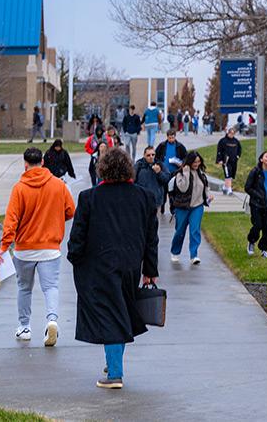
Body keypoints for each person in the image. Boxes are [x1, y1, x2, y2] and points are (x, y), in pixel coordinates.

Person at [67, 148, 159, 389]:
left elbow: (78, 236)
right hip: (131, 265)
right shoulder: (145, 197)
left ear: (103, 169)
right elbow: (151, 238)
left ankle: (115, 373)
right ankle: (113, 360)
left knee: (111, 315)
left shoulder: (89, 198)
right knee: (121, 313)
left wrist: (75, 257)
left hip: (98, 266)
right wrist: (150, 269)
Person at [0, 148, 75, 345]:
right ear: (42, 162)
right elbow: (70, 210)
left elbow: (11, 221)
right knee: (51, 287)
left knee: (24, 288)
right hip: (50, 248)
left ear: (25, 164)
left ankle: (24, 327)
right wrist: (55, 219)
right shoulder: (58, 185)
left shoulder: (19, 189)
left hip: (24, 249)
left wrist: (4, 246)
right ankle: (52, 320)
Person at [170, 151, 213, 265]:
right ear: (189, 162)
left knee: (194, 231)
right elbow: (183, 188)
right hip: (182, 207)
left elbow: (205, 187)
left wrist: (208, 196)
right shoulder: (180, 173)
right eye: (194, 162)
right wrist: (186, 172)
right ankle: (175, 252)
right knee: (180, 231)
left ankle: (194, 255)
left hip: (197, 206)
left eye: (198, 162)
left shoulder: (201, 174)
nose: (197, 164)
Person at [245, 151, 267, 258]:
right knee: (257, 225)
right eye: (266, 156)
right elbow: (247, 188)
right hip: (256, 204)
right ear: (261, 159)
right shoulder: (255, 172)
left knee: (266, 228)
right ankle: (251, 241)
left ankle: (264, 249)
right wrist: (258, 196)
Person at [155, 129, 187, 214]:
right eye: (169, 138)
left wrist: (181, 164)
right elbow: (156, 156)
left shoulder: (180, 146)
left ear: (175, 137)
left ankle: (173, 208)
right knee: (164, 191)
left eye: (172, 138)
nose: (171, 140)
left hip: (175, 172)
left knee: (172, 191)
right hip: (164, 172)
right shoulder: (162, 145)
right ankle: (162, 206)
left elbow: (185, 157)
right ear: (167, 137)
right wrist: (159, 164)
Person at [216, 128, 242, 196]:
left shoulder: (236, 141)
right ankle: (229, 190)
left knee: (232, 175)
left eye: (233, 133)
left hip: (234, 161)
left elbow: (239, 149)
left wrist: (238, 156)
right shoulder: (223, 141)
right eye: (231, 133)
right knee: (228, 175)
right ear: (228, 133)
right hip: (226, 161)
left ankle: (225, 187)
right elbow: (219, 151)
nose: (232, 135)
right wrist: (219, 160)